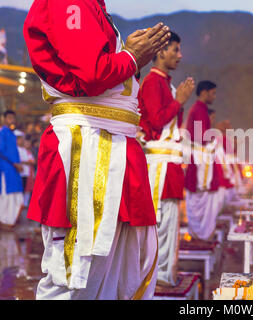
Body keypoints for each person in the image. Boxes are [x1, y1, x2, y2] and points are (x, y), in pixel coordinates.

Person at [23, 0, 172, 300]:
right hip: (88, 144)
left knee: (118, 269)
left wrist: (130, 55)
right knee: (75, 273)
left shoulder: (94, 7)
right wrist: (131, 57)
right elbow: (92, 73)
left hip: (109, 141)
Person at [138, 32, 195, 287]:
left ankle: (164, 274)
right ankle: (155, 277)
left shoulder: (165, 84)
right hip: (157, 167)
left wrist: (177, 101)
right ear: (161, 51)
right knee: (159, 223)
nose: (180, 55)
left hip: (168, 165)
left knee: (170, 224)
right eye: (176, 50)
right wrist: (179, 101)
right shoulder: (152, 83)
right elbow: (156, 121)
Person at [184, 81, 224, 241]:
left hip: (200, 159)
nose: (214, 97)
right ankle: (200, 236)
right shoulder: (199, 110)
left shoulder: (199, 109)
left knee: (201, 201)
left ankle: (200, 235)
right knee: (199, 200)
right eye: (213, 93)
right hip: (201, 162)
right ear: (204, 93)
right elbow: (202, 138)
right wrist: (214, 138)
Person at [0, 110, 24, 230]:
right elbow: (1, 150)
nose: (11, 120)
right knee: (6, 195)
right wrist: (15, 163)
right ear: (4, 119)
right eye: (9, 118)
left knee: (15, 194)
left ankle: (10, 220)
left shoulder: (12, 134)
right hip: (5, 168)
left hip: (14, 168)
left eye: (13, 118)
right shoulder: (2, 132)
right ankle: (3, 221)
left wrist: (17, 164)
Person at [16, 133, 36, 206]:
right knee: (23, 187)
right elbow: (21, 160)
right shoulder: (20, 149)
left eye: (28, 143)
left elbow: (33, 161)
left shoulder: (29, 151)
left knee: (28, 188)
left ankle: (25, 203)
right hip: (22, 171)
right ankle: (22, 203)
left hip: (29, 172)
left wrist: (28, 162)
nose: (27, 144)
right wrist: (28, 162)